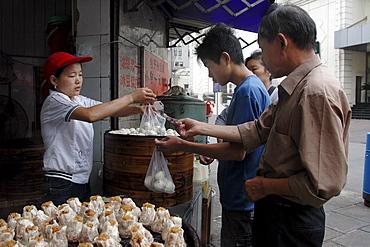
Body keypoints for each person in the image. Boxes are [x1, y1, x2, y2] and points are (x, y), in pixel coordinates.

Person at [156, 4, 351, 247]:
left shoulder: (315, 92)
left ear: (281, 42)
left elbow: (323, 185)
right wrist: (200, 127)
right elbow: (256, 130)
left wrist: (265, 185)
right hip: (275, 211)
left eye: (263, 48)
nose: (262, 59)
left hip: (291, 219)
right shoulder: (294, 87)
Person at [165, 23, 271, 247]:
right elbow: (234, 137)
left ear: (225, 58)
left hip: (243, 201)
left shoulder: (248, 91)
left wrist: (184, 145)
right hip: (240, 198)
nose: (209, 73)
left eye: (208, 66)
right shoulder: (248, 87)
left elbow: (237, 152)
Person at [40, 52, 156, 206]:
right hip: (61, 183)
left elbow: (109, 110)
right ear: (54, 80)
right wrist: (130, 97)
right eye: (71, 76)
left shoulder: (79, 100)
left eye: (80, 75)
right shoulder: (55, 101)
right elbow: (91, 115)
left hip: (81, 181)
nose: (78, 80)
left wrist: (139, 110)